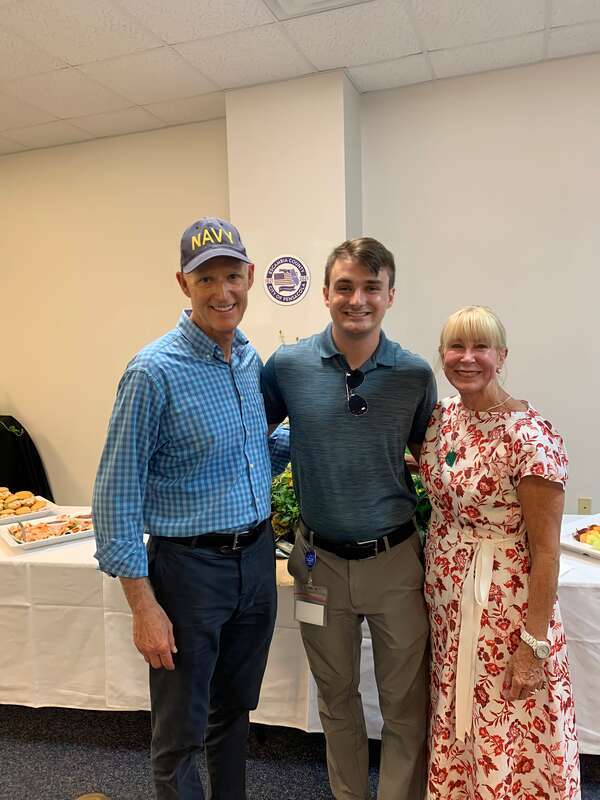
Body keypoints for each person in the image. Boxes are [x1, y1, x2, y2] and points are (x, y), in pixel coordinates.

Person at [93, 217, 288, 800]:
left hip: (254, 562)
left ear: (250, 277)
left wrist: (334, 429)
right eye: (207, 279)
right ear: (183, 284)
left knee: (234, 714)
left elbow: (259, 453)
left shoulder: (249, 360)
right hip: (187, 571)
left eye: (232, 276)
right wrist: (142, 605)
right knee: (180, 730)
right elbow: (115, 494)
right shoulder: (154, 372)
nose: (222, 291)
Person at [261, 237, 437, 800]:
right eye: (344, 287)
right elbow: (247, 443)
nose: (356, 299)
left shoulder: (412, 374)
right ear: (325, 293)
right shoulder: (287, 367)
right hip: (316, 566)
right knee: (335, 697)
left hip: (395, 562)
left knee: (405, 702)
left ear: (390, 296)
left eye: (370, 288)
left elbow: (436, 458)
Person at [419, 306, 581, 799]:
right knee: (458, 708)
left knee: (505, 716)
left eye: (480, 348)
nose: (467, 358)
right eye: (456, 347)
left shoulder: (528, 437)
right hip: (449, 604)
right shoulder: (443, 417)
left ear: (502, 356)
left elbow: (547, 554)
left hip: (505, 610)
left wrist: (533, 648)